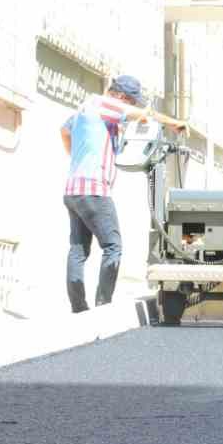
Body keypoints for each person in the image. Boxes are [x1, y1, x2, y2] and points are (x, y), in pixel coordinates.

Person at [60, 74, 186, 313]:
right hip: (94, 189)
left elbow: (64, 131)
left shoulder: (84, 109)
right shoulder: (103, 103)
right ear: (119, 95)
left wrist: (77, 158)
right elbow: (143, 115)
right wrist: (174, 123)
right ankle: (103, 306)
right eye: (129, 100)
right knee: (113, 246)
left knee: (78, 250)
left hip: (73, 189)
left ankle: (78, 308)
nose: (130, 106)